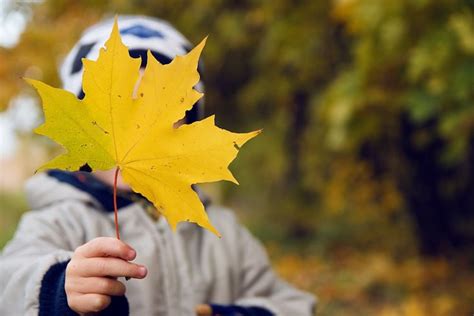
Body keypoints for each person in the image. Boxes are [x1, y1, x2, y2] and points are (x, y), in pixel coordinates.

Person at [0, 15, 316, 315]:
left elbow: (293, 304)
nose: (138, 126)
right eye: (124, 109)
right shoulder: (59, 222)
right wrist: (60, 289)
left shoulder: (223, 232)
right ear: (80, 132)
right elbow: (9, 284)